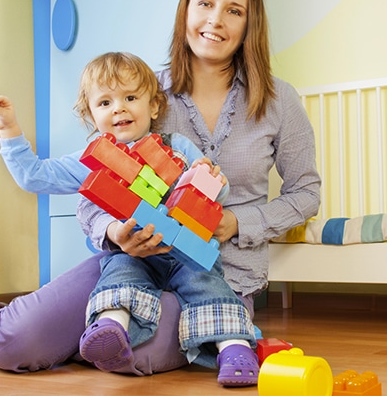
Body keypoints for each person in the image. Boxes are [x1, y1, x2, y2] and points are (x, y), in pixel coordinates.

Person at [0, 0, 320, 382]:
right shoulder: (137, 91)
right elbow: (91, 190)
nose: (215, 20)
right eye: (205, 4)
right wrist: (113, 232)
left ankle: (95, 333)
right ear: (186, 12)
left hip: (222, 274)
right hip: (129, 259)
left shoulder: (278, 99)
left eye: (234, 10)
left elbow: (306, 194)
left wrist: (234, 223)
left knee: (135, 351)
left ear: (251, 23)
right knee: (10, 344)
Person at [70, 52, 258, 387]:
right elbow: (89, 212)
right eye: (105, 102)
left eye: (130, 98)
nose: (119, 108)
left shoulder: (177, 147)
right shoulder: (98, 165)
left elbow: (218, 191)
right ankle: (111, 328)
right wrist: (115, 231)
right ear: (91, 114)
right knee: (117, 271)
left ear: (154, 106)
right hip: (134, 251)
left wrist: (208, 177)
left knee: (206, 282)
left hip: (186, 249)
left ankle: (235, 347)